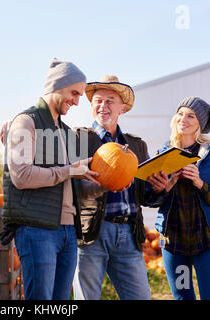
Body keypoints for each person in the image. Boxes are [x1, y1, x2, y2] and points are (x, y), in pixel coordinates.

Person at [0, 59, 107, 300]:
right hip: (37, 230)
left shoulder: (68, 133)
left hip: (68, 231)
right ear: (56, 87)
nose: (77, 101)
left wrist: (104, 185)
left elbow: (75, 187)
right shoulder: (26, 122)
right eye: (74, 93)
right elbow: (21, 176)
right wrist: (69, 170)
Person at [72, 75, 164, 300]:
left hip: (128, 234)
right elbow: (71, 187)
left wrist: (160, 189)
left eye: (110, 101)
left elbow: (145, 196)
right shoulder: (78, 139)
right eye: (98, 101)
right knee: (87, 298)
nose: (103, 106)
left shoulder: (136, 145)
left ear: (122, 108)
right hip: (91, 232)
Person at [147, 96, 210, 300]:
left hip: (205, 242)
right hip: (175, 244)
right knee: (183, 298)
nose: (183, 118)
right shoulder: (164, 152)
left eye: (190, 115)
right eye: (180, 113)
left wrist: (199, 183)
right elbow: (151, 200)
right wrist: (165, 188)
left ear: (199, 124)